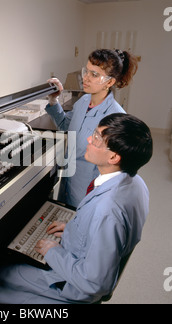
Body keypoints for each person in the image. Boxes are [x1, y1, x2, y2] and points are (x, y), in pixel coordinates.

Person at [0, 113, 153, 304]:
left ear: (114, 156)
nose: (89, 139)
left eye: (97, 138)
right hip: (84, 258)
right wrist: (76, 229)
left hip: (74, 286)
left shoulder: (107, 210)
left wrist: (53, 252)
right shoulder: (136, 182)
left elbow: (95, 282)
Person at [46, 49, 138, 208]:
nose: (85, 77)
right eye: (86, 71)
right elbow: (64, 125)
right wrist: (54, 100)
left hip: (89, 196)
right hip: (67, 184)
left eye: (94, 75)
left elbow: (115, 175)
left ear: (110, 82)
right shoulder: (83, 101)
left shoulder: (116, 118)